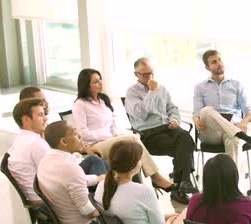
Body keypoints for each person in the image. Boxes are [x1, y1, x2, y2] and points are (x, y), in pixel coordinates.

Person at [71, 68, 182, 203]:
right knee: (132, 140)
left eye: (100, 79)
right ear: (86, 85)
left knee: (134, 152)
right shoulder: (80, 104)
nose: (100, 83)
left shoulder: (103, 100)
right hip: (94, 146)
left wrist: (119, 135)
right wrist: (109, 137)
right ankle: (156, 177)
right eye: (95, 82)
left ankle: (138, 194)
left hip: (109, 141)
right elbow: (83, 133)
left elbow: (112, 127)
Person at [8, 95, 106, 209]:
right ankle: (105, 205)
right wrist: (98, 178)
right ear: (26, 119)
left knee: (99, 164)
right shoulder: (35, 144)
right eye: (40, 115)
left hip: (38, 195)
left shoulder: (21, 140)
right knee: (95, 162)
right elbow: (66, 175)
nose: (45, 119)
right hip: (47, 200)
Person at [125, 57, 198, 204]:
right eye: (145, 75)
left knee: (185, 138)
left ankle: (183, 182)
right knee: (182, 146)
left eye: (152, 73)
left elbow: (172, 108)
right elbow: (141, 114)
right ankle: (182, 186)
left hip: (167, 128)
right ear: (136, 74)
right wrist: (151, 92)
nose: (150, 77)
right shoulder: (131, 93)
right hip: (149, 134)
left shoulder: (162, 88)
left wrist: (175, 119)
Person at [37, 121, 107, 224]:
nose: (80, 136)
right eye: (75, 134)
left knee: (104, 174)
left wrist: (98, 178)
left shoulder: (46, 161)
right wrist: (112, 208)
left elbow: (73, 181)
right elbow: (89, 212)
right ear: (63, 141)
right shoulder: (70, 169)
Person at [193, 49, 251, 164]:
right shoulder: (200, 87)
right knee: (206, 110)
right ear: (207, 68)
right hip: (211, 133)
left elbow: (250, 112)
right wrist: (196, 119)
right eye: (214, 62)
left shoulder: (237, 85)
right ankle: (250, 140)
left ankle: (233, 181)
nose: (219, 63)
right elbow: (197, 113)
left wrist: (244, 122)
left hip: (233, 128)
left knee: (233, 139)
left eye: (220, 59)